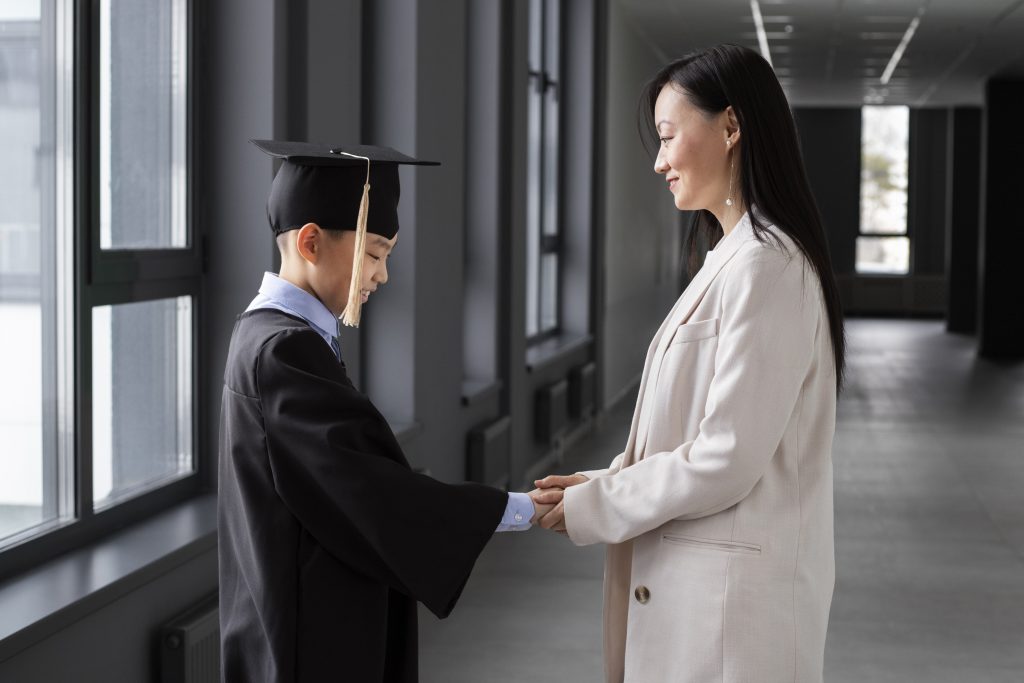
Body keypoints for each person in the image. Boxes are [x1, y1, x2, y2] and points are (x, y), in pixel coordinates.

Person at [533, 44, 846, 682]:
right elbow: (684, 432)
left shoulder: (768, 265)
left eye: (668, 136)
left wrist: (604, 503)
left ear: (731, 128)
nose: (658, 161)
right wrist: (604, 482)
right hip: (704, 601)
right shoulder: (733, 256)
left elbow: (726, 455)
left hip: (735, 620)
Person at [218, 141, 550, 683]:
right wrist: (515, 508)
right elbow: (367, 491)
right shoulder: (284, 349)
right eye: (374, 253)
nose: (382, 274)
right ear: (311, 242)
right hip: (311, 633)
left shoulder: (262, 333)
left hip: (287, 610)